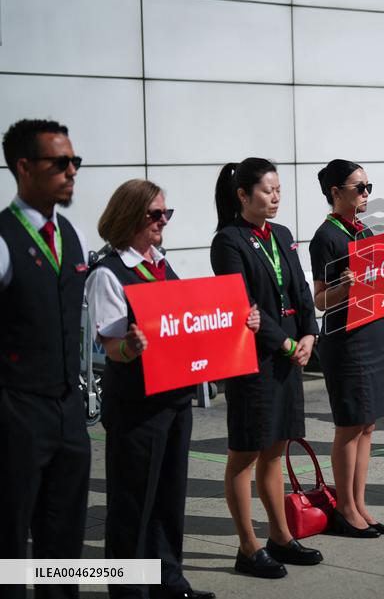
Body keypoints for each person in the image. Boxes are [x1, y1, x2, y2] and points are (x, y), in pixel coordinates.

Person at [87, 180, 259, 599]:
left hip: (174, 398)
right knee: (133, 505)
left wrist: (240, 321)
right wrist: (130, 346)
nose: (163, 221)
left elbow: (191, 321)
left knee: (168, 498)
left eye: (166, 213)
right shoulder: (108, 273)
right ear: (128, 217)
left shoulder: (162, 265)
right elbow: (112, 348)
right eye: (154, 215)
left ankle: (169, 582)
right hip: (137, 406)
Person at [211, 158, 322, 578]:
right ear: (243, 195)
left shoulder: (283, 235)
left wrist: (309, 334)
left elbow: (301, 289)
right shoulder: (228, 241)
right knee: (245, 454)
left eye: (278, 190)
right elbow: (244, 307)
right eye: (267, 190)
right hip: (252, 361)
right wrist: (287, 341)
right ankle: (248, 546)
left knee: (275, 450)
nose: (276, 197)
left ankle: (280, 536)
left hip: (289, 358)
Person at [0, 119, 90, 599]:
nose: (72, 170)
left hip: (67, 409)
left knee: (64, 537)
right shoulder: (4, 239)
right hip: (17, 409)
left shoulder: (69, 232)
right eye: (60, 162)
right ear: (24, 168)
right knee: (10, 540)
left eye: (75, 161)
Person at [310, 160, 384, 534]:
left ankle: (359, 502)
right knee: (349, 426)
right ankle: (344, 508)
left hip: (371, 330)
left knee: (368, 424)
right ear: (335, 192)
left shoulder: (365, 228)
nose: (367, 195)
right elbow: (321, 300)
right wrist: (345, 285)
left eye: (368, 188)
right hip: (346, 339)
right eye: (359, 189)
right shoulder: (326, 236)